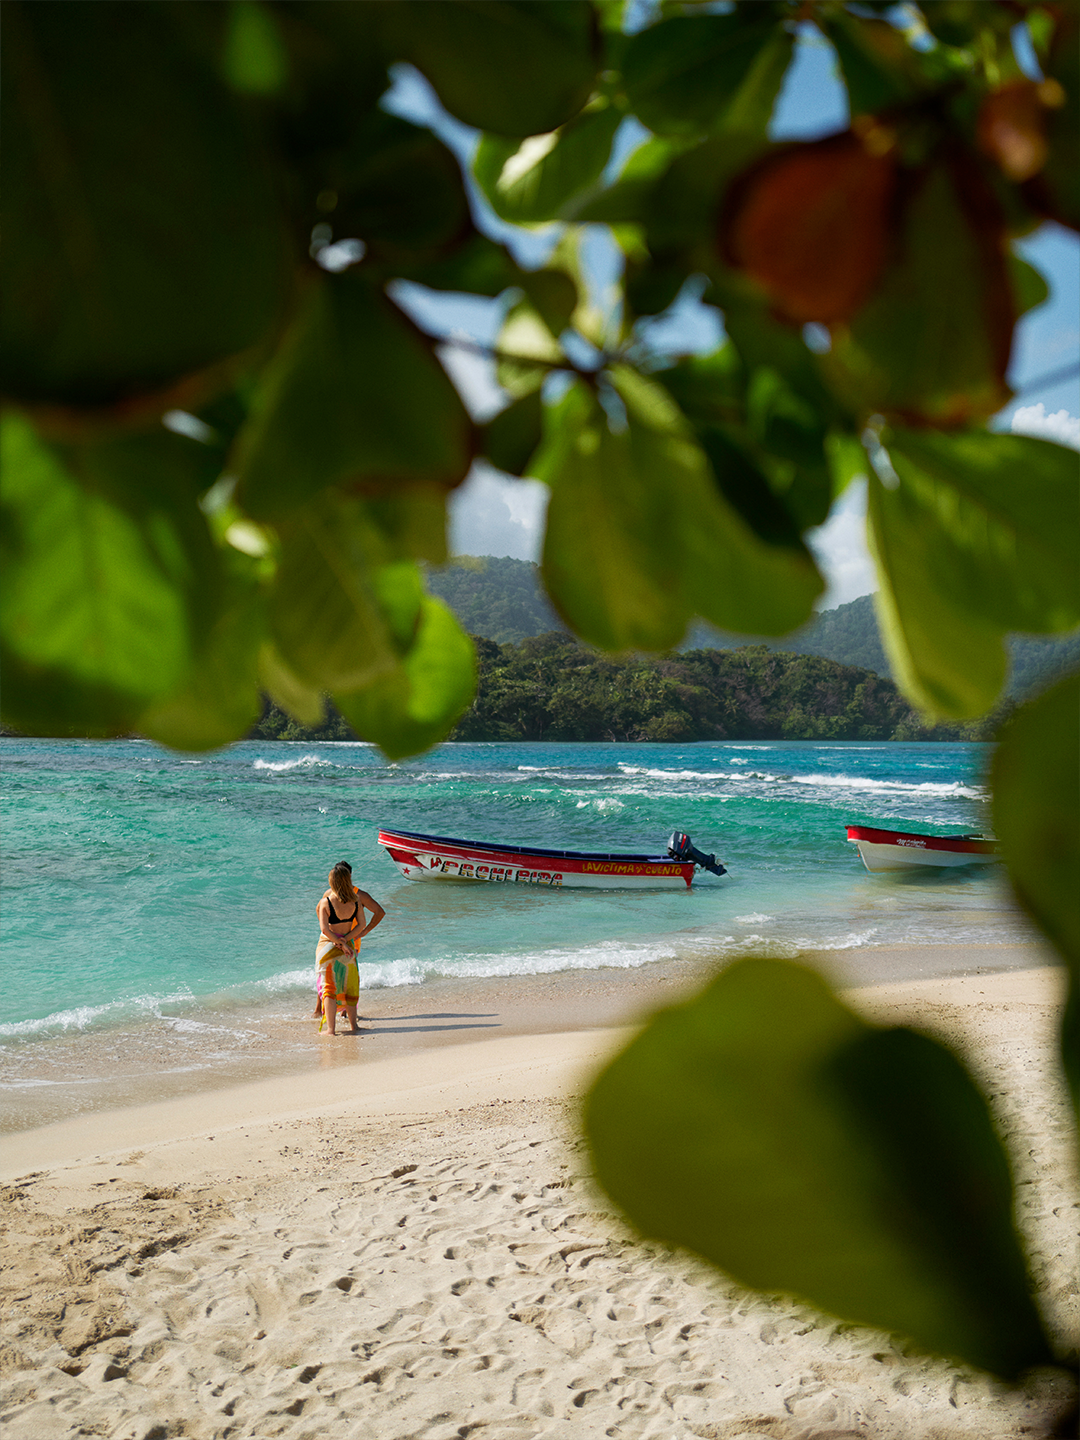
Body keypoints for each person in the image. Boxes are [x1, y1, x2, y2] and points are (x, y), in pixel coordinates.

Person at [314, 861, 385, 1036]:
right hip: (350, 945)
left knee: (328, 987)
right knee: (350, 985)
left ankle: (331, 1029)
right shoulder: (356, 901)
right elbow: (361, 924)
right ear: (348, 878)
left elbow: (324, 928)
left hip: (328, 945)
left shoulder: (326, 900)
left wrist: (339, 941)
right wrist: (347, 940)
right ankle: (354, 1026)